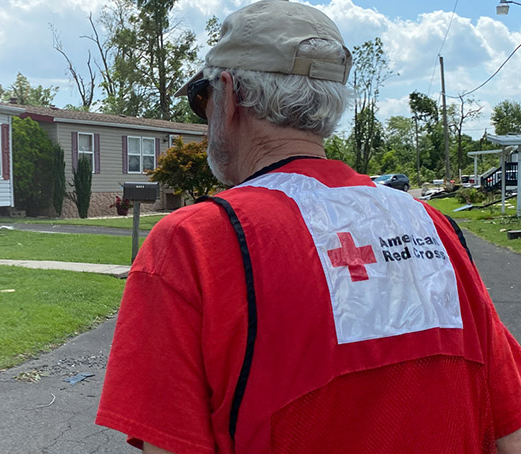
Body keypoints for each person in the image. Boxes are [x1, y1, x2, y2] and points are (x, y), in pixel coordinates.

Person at [95, 1, 521, 453]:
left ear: (229, 95)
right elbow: (510, 431)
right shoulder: (435, 229)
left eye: (202, 99)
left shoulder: (193, 245)